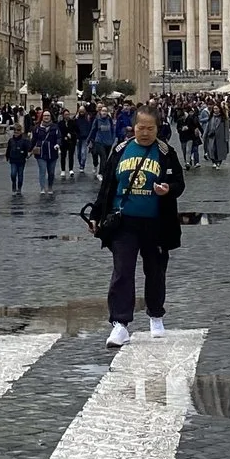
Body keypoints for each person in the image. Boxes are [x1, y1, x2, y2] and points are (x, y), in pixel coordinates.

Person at [91, 108, 186, 347]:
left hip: (156, 223)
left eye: (150, 128)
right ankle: (120, 324)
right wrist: (96, 214)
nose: (145, 133)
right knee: (123, 271)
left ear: (158, 128)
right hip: (124, 222)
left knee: (155, 271)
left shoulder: (166, 152)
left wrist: (168, 189)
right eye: (140, 128)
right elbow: (108, 186)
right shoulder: (121, 150)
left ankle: (156, 315)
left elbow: (179, 183)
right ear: (133, 127)